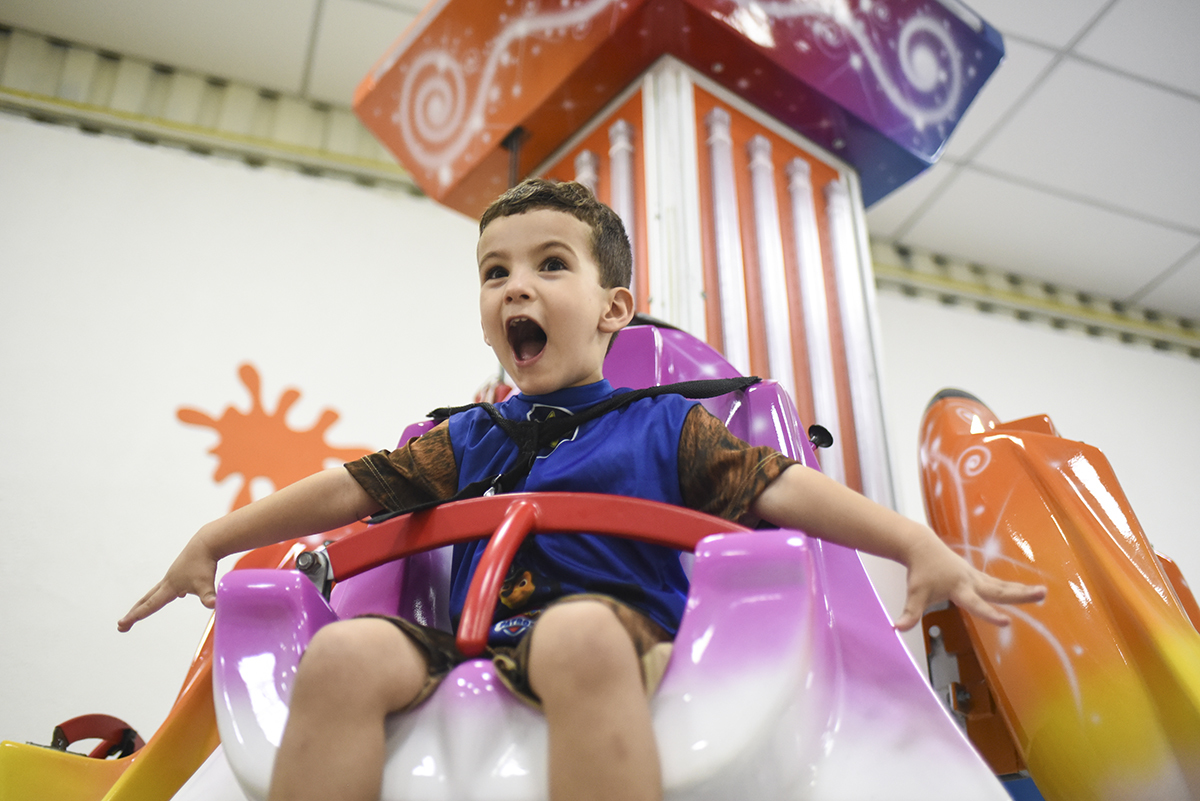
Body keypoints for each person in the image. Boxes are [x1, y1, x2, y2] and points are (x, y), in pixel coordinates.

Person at [118, 179, 1045, 801]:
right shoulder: (469, 437)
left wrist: (914, 543)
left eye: (550, 264)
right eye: (496, 273)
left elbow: (784, 489)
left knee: (574, 634)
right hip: (475, 640)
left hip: (613, 633)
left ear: (613, 309)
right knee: (344, 654)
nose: (516, 287)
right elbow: (350, 489)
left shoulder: (667, 425)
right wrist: (216, 537)